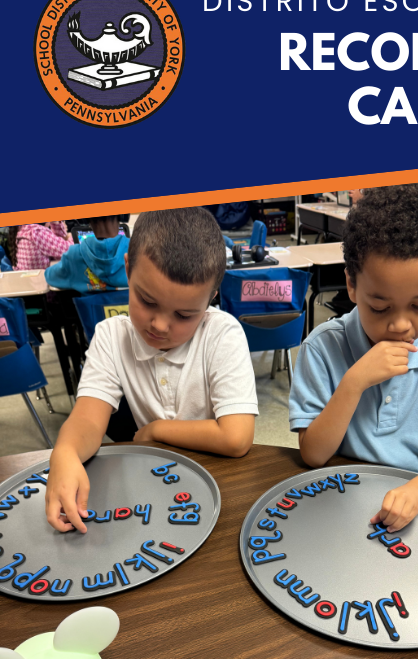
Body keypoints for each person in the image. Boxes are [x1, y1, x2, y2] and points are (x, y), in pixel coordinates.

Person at [45, 208, 258, 533]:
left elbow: (236, 437)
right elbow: (88, 419)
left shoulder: (222, 334)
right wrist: (66, 450)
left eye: (185, 315)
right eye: (147, 301)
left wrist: (157, 429)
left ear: (212, 296)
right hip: (156, 494)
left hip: (220, 493)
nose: (160, 325)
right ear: (128, 268)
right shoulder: (111, 336)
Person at [289, 183, 418, 533]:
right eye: (380, 307)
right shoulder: (321, 348)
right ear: (352, 285)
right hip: (340, 503)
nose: (402, 325)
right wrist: (354, 382)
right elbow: (313, 455)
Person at [44, 215, 129, 292]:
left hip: (93, 309)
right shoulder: (137, 251)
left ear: (84, 219)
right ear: (123, 216)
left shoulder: (74, 255)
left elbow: (49, 276)